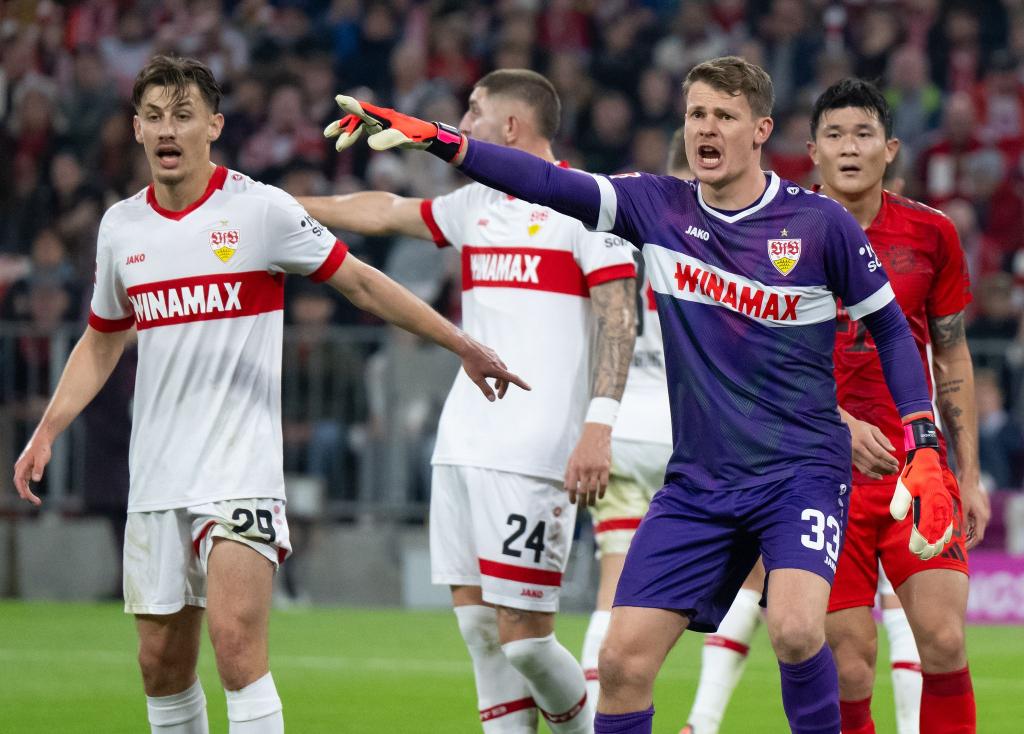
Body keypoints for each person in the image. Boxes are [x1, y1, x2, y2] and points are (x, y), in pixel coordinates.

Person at [327, 55, 955, 734]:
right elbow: (542, 180)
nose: (705, 129)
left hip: (797, 470)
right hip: (699, 482)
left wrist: (922, 438)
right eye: (695, 115)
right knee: (623, 663)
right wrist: (444, 141)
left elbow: (892, 330)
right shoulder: (658, 206)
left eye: (723, 116)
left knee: (799, 631)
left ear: (760, 130)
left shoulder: (818, 225)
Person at [12, 55, 526, 734]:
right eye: (155, 116)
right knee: (160, 662)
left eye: (184, 115)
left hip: (239, 469)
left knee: (235, 643)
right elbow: (103, 338)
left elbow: (363, 283)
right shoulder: (121, 229)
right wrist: (48, 428)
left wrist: (462, 343)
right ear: (137, 129)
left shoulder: (259, 210)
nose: (169, 129)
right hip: (159, 470)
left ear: (214, 126)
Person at [307, 68, 638, 733]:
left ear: (511, 127)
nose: (465, 121)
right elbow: (384, 211)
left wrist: (598, 428)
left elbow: (618, 317)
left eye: (474, 110)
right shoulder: (476, 206)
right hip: (462, 445)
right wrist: (275, 204)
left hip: (536, 451)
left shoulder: (590, 206)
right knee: (482, 635)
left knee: (525, 639)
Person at [808, 78, 987, 734]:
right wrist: (837, 423)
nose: (848, 148)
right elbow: (759, 366)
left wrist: (966, 475)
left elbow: (953, 353)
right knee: (849, 665)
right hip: (816, 475)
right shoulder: (778, 236)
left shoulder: (931, 233)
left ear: (889, 150)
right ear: (812, 151)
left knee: (942, 641)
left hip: (917, 470)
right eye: (834, 135)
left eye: (861, 135)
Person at [579, 127, 682, 708]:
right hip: (686, 433)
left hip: (618, 428)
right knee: (761, 580)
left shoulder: (613, 229)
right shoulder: (710, 232)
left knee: (611, 589)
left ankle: (596, 715)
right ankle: (704, 719)